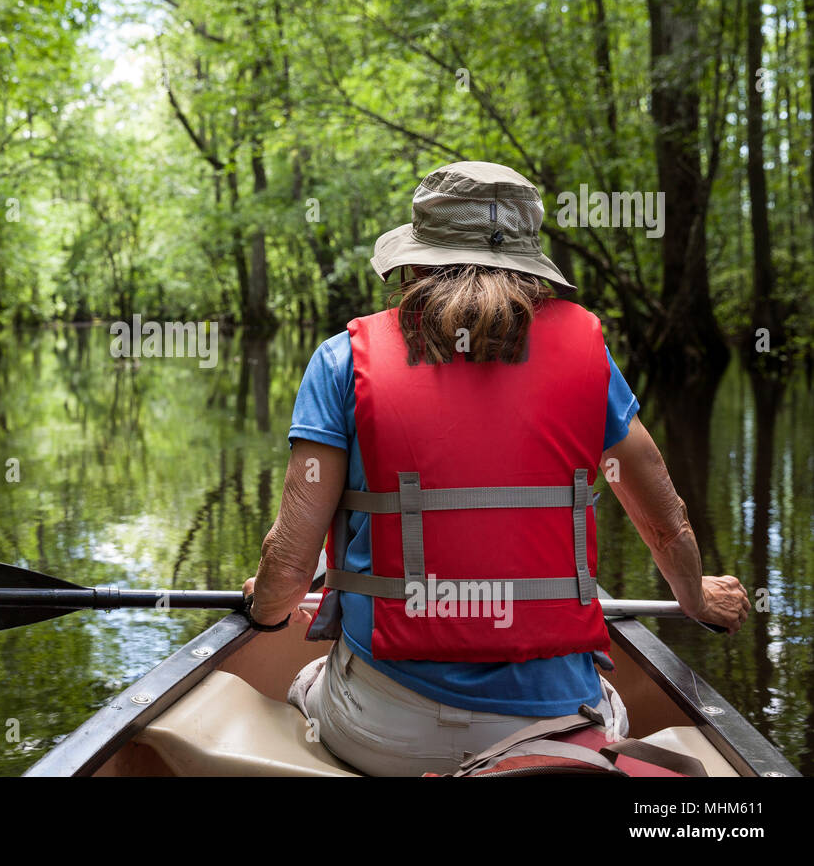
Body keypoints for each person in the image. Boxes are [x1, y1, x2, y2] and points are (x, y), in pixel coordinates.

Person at [242, 160, 751, 776]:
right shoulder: (590, 361)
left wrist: (268, 606)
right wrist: (694, 597)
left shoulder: (341, 362)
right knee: (606, 706)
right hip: (550, 728)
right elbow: (665, 524)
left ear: (414, 259)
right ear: (529, 267)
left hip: (388, 733)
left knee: (304, 682)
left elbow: (293, 565)